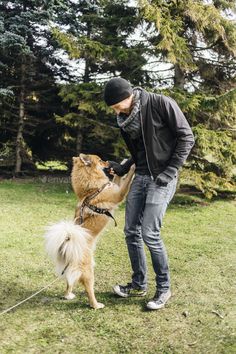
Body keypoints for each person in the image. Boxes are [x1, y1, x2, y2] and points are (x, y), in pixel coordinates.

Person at [103, 77, 194, 310]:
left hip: (162, 178)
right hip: (141, 176)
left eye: (116, 105)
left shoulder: (160, 103)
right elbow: (141, 151)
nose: (115, 111)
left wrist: (171, 171)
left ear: (128, 96)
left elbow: (186, 137)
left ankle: (164, 289)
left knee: (150, 233)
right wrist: (123, 167)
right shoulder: (125, 120)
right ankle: (138, 284)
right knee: (131, 230)